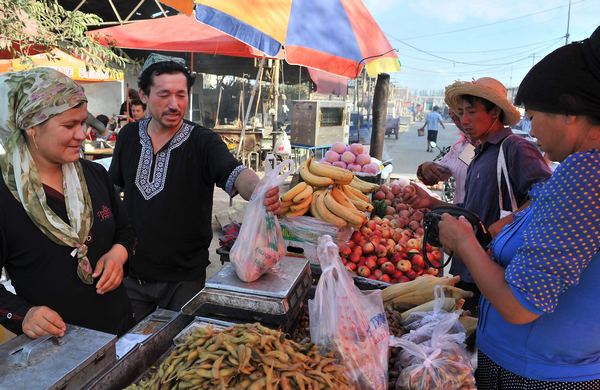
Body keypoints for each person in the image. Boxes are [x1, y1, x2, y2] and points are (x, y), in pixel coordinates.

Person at [438, 26, 600, 389]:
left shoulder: (587, 176)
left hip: (536, 374)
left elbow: (519, 305)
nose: (531, 127)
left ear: (569, 111)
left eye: (534, 114)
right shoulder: (580, 170)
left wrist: (464, 242)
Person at [109, 54, 281, 323]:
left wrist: (260, 190)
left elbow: (235, 173)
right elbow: (112, 191)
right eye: (164, 94)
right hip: (133, 275)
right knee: (130, 349)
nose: (174, 104)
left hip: (184, 280)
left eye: (181, 94)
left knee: (179, 353)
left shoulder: (203, 141)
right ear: (143, 95)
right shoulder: (129, 137)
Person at [0, 68, 135, 338]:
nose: (82, 134)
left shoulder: (94, 175)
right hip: (57, 346)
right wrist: (23, 314)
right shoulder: (6, 194)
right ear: (32, 128)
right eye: (69, 125)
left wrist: (118, 254)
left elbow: (127, 230)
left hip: (117, 329)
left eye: (83, 123)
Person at [403, 77, 551, 313]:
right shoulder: (477, 151)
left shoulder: (515, 148)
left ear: (494, 112)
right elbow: (471, 214)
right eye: (460, 113)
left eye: (471, 112)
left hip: (495, 273)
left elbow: (548, 197)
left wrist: (499, 227)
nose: (464, 121)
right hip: (468, 268)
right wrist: (431, 202)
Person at [417, 109, 476, 204]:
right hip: (461, 214)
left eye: (460, 114)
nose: (461, 122)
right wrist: (427, 169)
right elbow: (444, 169)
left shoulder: (501, 148)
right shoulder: (465, 145)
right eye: (453, 117)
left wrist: (432, 203)